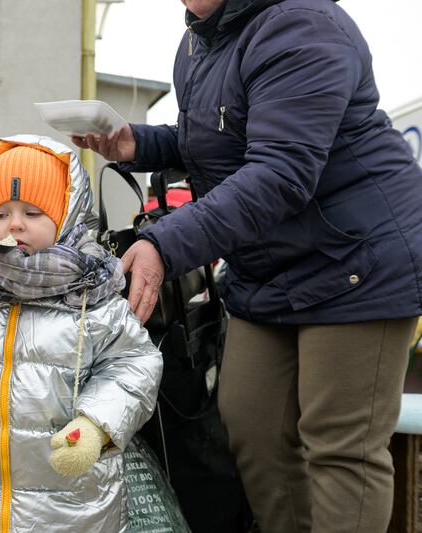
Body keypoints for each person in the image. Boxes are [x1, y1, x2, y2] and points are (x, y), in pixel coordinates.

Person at [76, 1, 422, 531]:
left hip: (356, 260)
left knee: (339, 446)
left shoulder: (301, 24)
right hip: (269, 267)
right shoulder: (199, 43)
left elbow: (280, 172)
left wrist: (165, 244)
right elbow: (220, 141)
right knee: (251, 423)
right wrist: (137, 144)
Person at [0, 135, 163, 532]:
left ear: (66, 216)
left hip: (77, 510)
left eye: (33, 211)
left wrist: (97, 424)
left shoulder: (93, 301)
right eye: (1, 213)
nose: (15, 224)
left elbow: (135, 366)